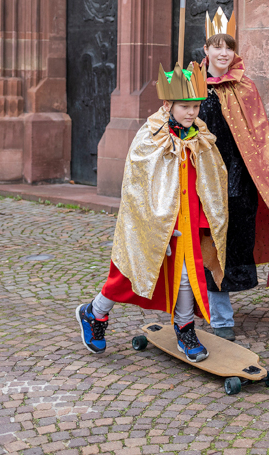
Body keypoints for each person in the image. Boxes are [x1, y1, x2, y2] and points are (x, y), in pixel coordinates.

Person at [75, 60, 228, 361]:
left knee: (185, 275)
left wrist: (207, 218)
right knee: (128, 274)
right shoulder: (151, 136)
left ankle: (184, 328)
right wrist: (158, 220)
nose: (191, 112)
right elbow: (138, 184)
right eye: (184, 106)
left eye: (196, 106)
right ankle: (95, 312)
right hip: (155, 219)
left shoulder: (202, 136)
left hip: (188, 219)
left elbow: (212, 179)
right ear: (169, 103)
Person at [196, 8, 269, 340]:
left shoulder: (245, 87)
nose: (223, 52)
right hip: (203, 183)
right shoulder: (192, 85)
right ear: (205, 49)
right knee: (208, 245)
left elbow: (259, 138)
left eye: (229, 46)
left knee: (233, 245)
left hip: (239, 183)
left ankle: (213, 305)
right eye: (216, 45)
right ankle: (220, 318)